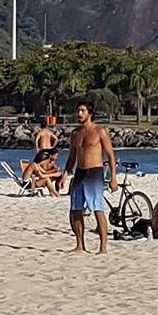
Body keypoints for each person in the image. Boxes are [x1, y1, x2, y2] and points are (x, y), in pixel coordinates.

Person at [64, 102, 117, 254]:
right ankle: (80, 244)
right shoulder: (75, 133)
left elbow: (111, 155)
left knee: (97, 208)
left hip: (94, 172)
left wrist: (113, 178)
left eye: (82, 111)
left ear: (89, 113)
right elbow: (71, 157)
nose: (79, 114)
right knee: (76, 209)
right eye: (78, 110)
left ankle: (103, 247)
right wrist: (65, 175)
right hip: (80, 172)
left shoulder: (100, 131)